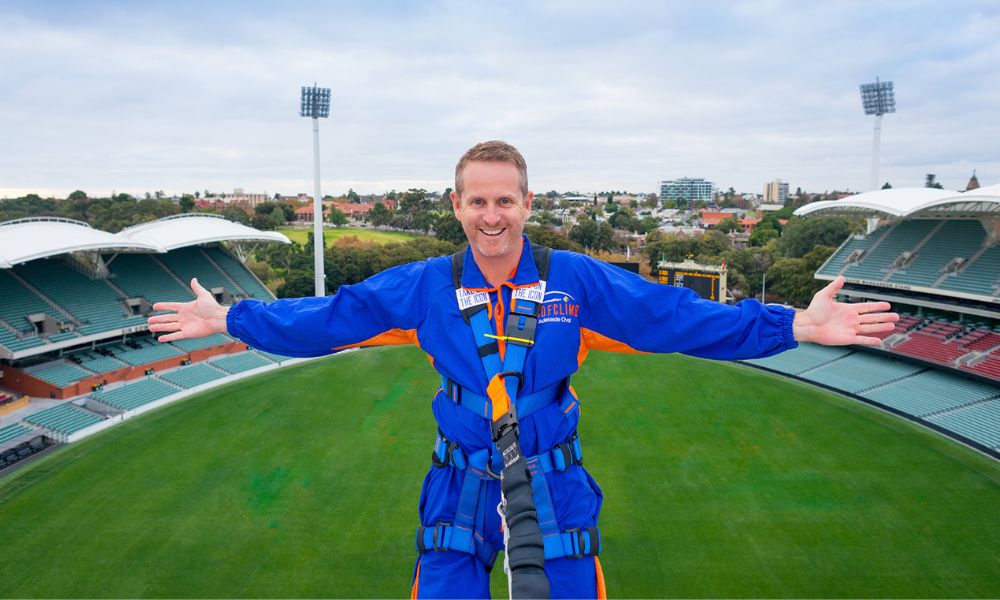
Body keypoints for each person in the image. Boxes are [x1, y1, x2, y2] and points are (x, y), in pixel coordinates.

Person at [148, 141, 898, 599]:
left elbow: (677, 317)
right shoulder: (423, 284)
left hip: (554, 477)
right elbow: (331, 316)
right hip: (459, 479)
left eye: (505, 199)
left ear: (527, 202)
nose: (492, 215)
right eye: (478, 201)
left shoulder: (576, 279)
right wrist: (232, 318)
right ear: (458, 204)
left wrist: (796, 323)